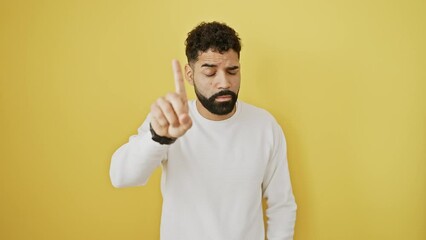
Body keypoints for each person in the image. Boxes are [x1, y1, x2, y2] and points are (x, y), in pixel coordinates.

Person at [110, 21, 297, 240]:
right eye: (210, 73)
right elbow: (121, 177)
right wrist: (158, 138)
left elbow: (281, 205)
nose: (224, 83)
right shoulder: (169, 121)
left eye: (232, 71)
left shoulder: (265, 125)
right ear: (190, 75)